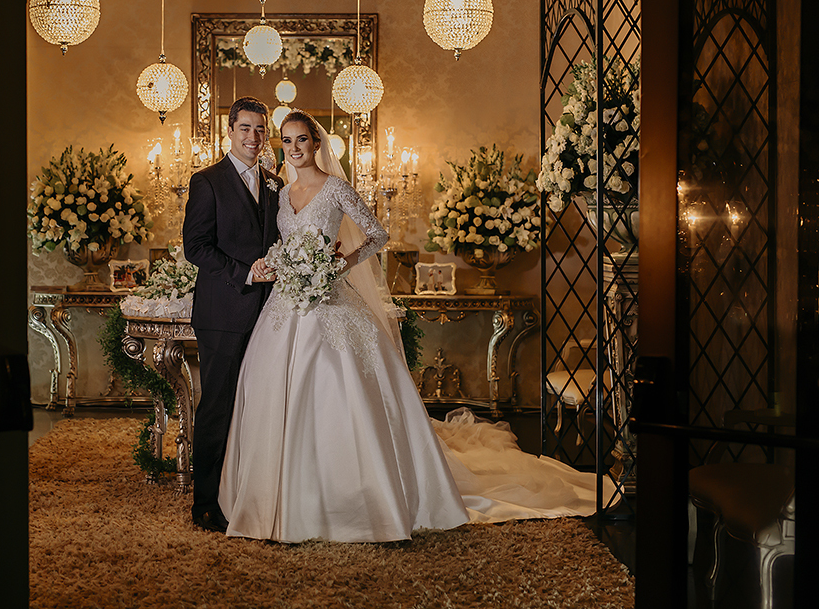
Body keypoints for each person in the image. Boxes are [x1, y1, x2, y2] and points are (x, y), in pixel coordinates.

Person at [218, 110, 604, 543]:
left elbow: (377, 235)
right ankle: (277, 495)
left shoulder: (335, 188)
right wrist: (280, 263)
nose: (294, 148)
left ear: (316, 142)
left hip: (330, 300)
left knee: (337, 387)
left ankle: (359, 497)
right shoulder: (282, 193)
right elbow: (280, 244)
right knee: (273, 391)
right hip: (286, 304)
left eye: (301, 139)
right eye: (286, 141)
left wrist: (339, 264)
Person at [182, 96, 284, 534]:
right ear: (230, 131)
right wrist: (246, 273)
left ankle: (244, 494)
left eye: (260, 129)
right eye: (245, 128)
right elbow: (196, 246)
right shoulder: (207, 181)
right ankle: (205, 504)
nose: (253, 137)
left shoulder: (275, 182)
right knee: (218, 408)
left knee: (256, 408)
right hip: (224, 312)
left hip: (270, 314)